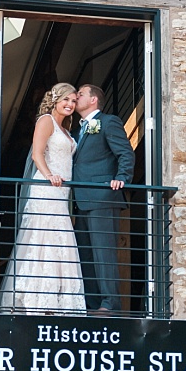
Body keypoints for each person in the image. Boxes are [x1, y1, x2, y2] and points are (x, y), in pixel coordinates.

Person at [0, 83, 86, 314]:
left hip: (61, 193)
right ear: (55, 100)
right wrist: (49, 176)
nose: (70, 105)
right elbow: (37, 153)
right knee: (42, 240)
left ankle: (57, 302)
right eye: (66, 100)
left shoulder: (67, 128)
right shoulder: (45, 121)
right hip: (46, 189)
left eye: (73, 101)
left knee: (61, 243)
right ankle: (35, 299)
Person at [71, 84, 135, 315]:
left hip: (103, 197)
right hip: (81, 199)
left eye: (80, 94)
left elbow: (125, 152)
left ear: (93, 100)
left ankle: (110, 303)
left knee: (103, 253)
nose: (75, 98)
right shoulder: (76, 131)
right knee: (86, 254)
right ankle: (92, 303)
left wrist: (121, 178)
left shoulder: (109, 122)